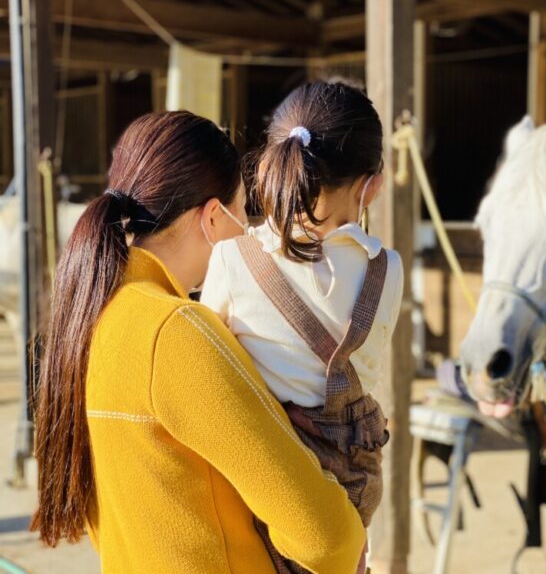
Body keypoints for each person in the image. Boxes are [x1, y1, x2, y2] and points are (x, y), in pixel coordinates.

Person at [31, 110, 366, 574]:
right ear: (212, 217)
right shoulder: (177, 331)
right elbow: (323, 534)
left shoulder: (90, 319)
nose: (246, 231)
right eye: (242, 211)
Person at [201, 81, 403, 574]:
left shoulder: (231, 259)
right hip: (348, 503)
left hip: (267, 495)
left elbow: (210, 375)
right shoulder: (387, 270)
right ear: (371, 186)